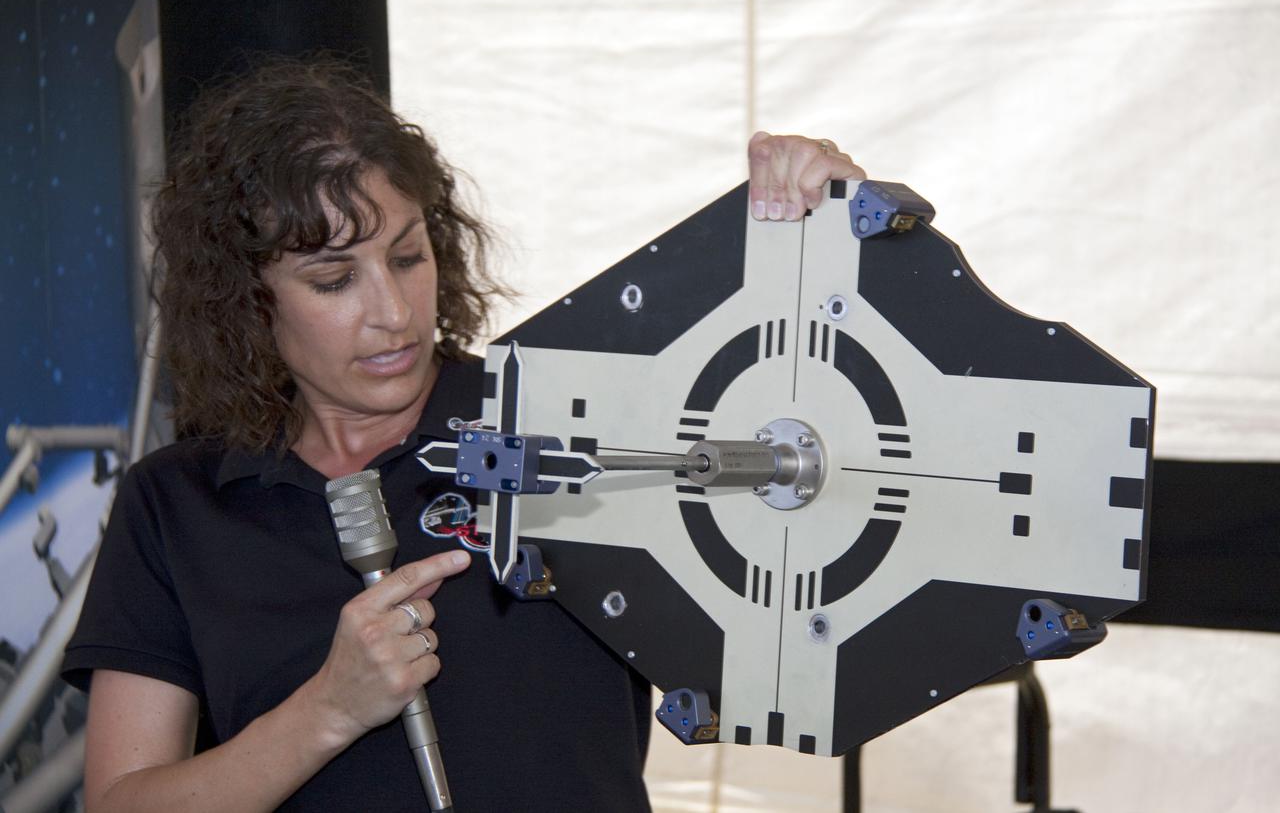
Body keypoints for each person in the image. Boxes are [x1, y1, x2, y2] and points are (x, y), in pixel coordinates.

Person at [60, 57, 864, 812]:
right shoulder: (178, 502)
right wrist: (328, 710)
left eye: (408, 257)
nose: (392, 312)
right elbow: (122, 800)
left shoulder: (567, 422)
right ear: (246, 300)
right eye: (334, 279)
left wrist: (834, 232)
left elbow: (827, 485)